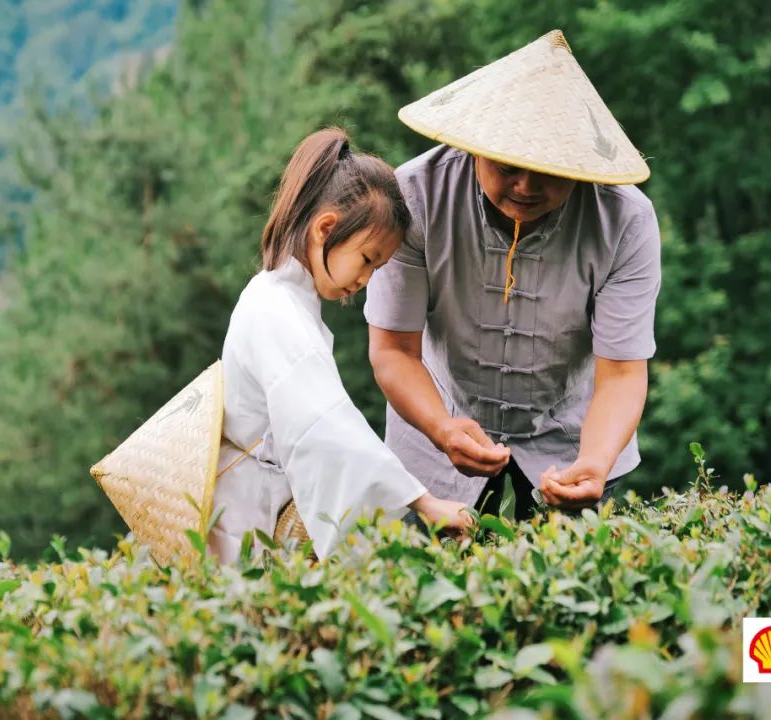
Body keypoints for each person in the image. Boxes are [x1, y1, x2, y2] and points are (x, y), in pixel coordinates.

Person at [364, 30, 662, 522]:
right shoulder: (415, 198)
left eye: (547, 170)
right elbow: (393, 350)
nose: (526, 186)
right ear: (475, 148)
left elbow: (623, 372)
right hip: (433, 450)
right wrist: (441, 428)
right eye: (506, 167)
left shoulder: (625, 220)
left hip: (571, 446)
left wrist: (594, 462)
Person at [208, 127, 474, 564]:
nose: (366, 279)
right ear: (326, 228)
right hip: (249, 518)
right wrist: (423, 503)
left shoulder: (279, 300)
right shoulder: (275, 310)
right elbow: (327, 430)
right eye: (368, 259)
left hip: (253, 509)